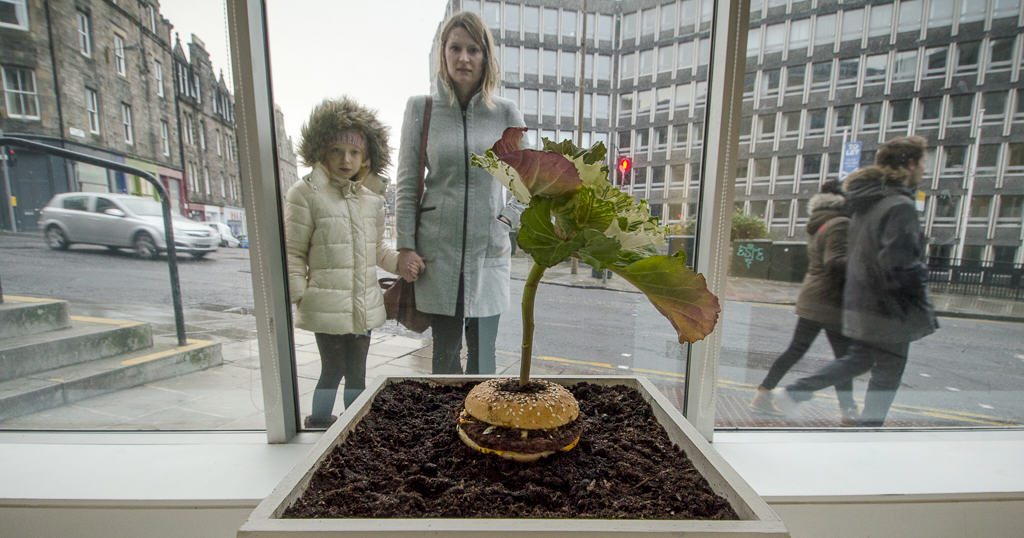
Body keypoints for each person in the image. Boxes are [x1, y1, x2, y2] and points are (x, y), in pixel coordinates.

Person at [773, 136, 938, 426]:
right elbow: (898, 263)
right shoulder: (899, 205)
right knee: (888, 371)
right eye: (922, 161)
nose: (924, 168)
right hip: (890, 306)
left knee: (859, 359)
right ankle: (868, 429)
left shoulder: (867, 202)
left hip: (862, 299)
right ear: (910, 163)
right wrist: (921, 283)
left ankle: (796, 391)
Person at [395, 11, 526, 375]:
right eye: (455, 48)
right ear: (443, 53)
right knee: (445, 362)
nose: (463, 58)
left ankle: (481, 431)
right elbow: (407, 183)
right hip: (439, 256)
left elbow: (525, 184)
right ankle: (448, 430)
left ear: (486, 57)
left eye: (473, 49)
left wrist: (505, 221)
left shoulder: (506, 114)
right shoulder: (421, 109)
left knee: (484, 361)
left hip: (489, 252)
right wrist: (405, 245)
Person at [285, 97, 414, 429]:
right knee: (332, 369)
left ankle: (352, 427)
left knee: (357, 370)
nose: (346, 159)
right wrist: (301, 294)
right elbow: (293, 251)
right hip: (326, 304)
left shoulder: (370, 201)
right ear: (322, 152)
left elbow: (377, 249)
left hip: (363, 305)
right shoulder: (306, 194)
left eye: (354, 152)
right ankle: (318, 425)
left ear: (365, 158)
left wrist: (401, 264)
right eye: (337, 150)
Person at [750, 179, 858, 425]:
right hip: (829, 300)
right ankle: (848, 411)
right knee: (845, 359)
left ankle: (764, 394)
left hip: (814, 297)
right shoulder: (840, 223)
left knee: (797, 350)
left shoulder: (821, 223)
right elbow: (835, 262)